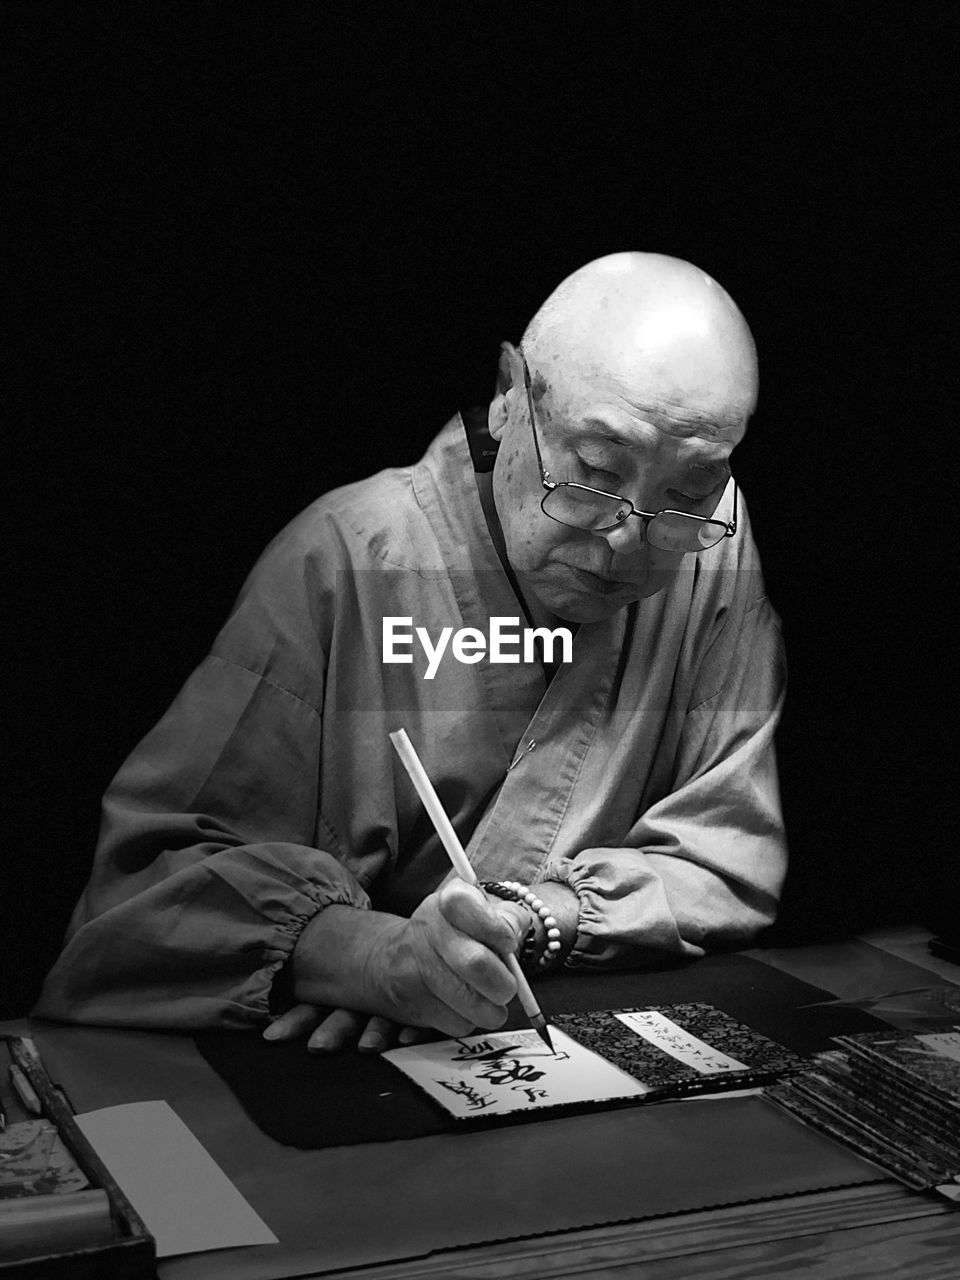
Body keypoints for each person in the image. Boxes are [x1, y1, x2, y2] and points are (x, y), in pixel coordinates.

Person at [36, 252, 787, 1055]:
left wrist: (519, 925)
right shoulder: (347, 558)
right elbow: (144, 891)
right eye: (596, 470)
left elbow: (725, 857)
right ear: (509, 395)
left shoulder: (710, 550)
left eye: (688, 492)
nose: (629, 541)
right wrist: (363, 957)